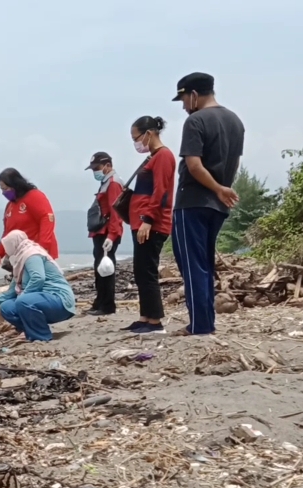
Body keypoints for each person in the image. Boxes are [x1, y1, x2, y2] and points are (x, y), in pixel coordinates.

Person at [171, 72, 245, 336]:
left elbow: (193, 165)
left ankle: (200, 325)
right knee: (204, 262)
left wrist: (216, 187)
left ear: (193, 94)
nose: (183, 106)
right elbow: (233, 162)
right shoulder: (235, 121)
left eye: (183, 99)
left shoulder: (196, 121)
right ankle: (205, 322)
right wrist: (223, 189)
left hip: (193, 201)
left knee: (192, 265)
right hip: (217, 204)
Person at [126, 115, 175, 334]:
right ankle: (145, 316)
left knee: (147, 271)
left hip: (152, 223)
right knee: (140, 270)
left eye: (136, 137)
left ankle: (155, 321)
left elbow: (161, 191)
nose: (136, 143)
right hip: (141, 222)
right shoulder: (153, 157)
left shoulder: (163, 156)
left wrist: (147, 219)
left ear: (149, 133)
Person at [0, 231, 75, 342]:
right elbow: (11, 291)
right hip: (41, 300)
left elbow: (38, 278)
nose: (6, 250)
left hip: (58, 300)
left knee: (23, 301)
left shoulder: (32, 255)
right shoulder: (20, 261)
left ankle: (41, 336)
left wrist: (23, 296)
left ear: (13, 244)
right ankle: (29, 331)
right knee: (6, 307)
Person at [0, 168, 59, 267]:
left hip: (38, 252)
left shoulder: (34, 196)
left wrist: (41, 247)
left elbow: (47, 219)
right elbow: (8, 233)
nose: (3, 193)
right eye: (1, 189)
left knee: (36, 279)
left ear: (15, 184)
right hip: (20, 255)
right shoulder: (10, 206)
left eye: (5, 189)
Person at [85, 151, 124, 315]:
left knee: (106, 269)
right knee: (99, 268)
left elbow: (116, 212)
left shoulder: (113, 183)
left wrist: (112, 235)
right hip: (101, 232)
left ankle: (107, 306)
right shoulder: (106, 182)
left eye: (97, 167)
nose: (95, 171)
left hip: (107, 232)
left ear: (108, 165)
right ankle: (100, 302)